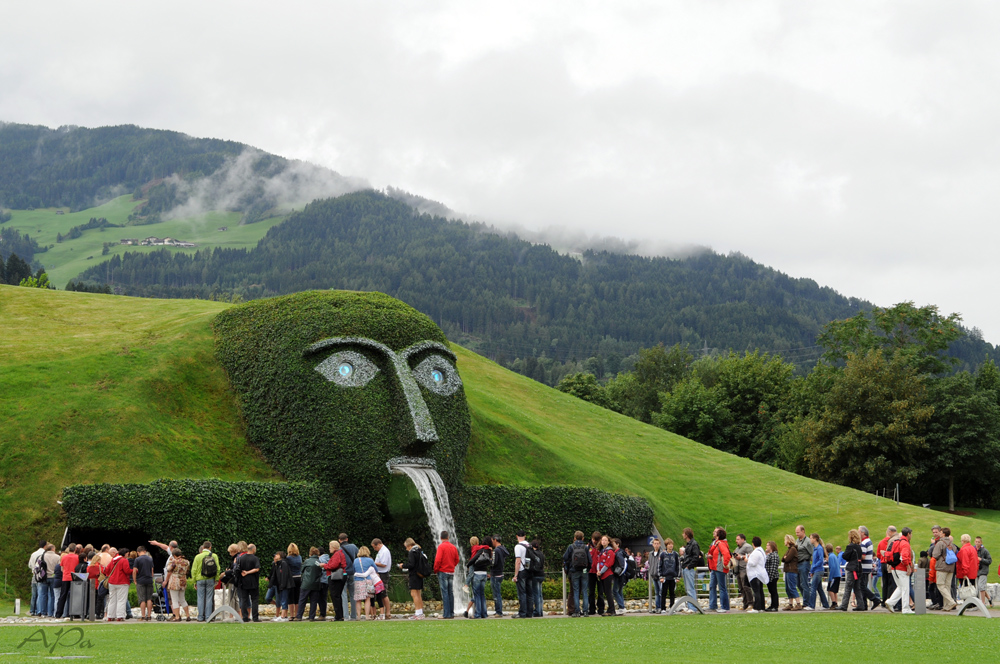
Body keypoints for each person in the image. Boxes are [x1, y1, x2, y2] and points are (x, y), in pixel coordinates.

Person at [884, 527, 914, 614]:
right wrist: (908, 567)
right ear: (908, 534)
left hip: (894, 567)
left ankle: (890, 602)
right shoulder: (905, 543)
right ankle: (905, 608)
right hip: (901, 568)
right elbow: (904, 557)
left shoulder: (897, 541)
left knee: (901, 587)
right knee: (905, 588)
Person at [191, 541, 220, 623]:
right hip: (210, 579)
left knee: (200, 598)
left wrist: (194, 581)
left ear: (203, 548)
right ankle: (208, 617)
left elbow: (194, 570)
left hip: (200, 579)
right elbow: (217, 569)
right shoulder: (214, 556)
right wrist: (216, 579)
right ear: (210, 547)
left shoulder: (198, 557)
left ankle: (200, 617)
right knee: (209, 598)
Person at [399, 538, 427, 620]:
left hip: (414, 575)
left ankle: (418, 613)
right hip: (420, 574)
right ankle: (420, 612)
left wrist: (403, 566)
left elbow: (411, 564)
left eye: (406, 547)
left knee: (414, 594)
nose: (406, 549)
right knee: (418, 593)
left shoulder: (412, 552)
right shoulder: (419, 551)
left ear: (409, 545)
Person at [433, 530, 460, 619]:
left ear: (441, 538)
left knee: (445, 592)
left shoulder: (441, 547)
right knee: (450, 592)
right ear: (448, 537)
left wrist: (436, 569)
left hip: (443, 571)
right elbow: (457, 559)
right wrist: (452, 566)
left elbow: (438, 560)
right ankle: (451, 613)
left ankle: (446, 614)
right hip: (451, 572)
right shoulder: (453, 547)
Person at [835, 530, 863, 612]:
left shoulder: (850, 546)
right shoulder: (859, 547)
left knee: (848, 587)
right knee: (857, 587)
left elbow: (845, 556)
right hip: (859, 568)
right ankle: (861, 604)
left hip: (852, 568)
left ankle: (844, 605)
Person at [564, 531, 590, 617]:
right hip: (584, 571)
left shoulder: (571, 547)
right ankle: (586, 611)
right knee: (585, 591)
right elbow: (590, 560)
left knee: (576, 591)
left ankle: (577, 611)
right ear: (583, 538)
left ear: (574, 538)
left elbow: (565, 557)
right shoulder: (586, 547)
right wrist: (587, 569)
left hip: (574, 570)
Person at [931, 527, 957, 611]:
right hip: (951, 567)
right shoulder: (952, 544)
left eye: (941, 532)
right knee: (947, 586)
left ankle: (951, 601)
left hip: (942, 567)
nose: (939, 534)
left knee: (940, 585)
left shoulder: (940, 543)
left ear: (944, 534)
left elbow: (935, 555)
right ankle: (946, 606)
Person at [352, 546, 382, 621]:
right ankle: (367, 616)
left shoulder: (356, 560)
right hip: (368, 580)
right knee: (367, 599)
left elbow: (353, 570)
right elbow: (376, 569)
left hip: (358, 580)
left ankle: (358, 616)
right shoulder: (370, 560)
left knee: (358, 599)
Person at [103, 547, 132, 622]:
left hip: (112, 582)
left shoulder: (113, 560)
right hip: (122, 582)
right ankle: (120, 616)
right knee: (121, 600)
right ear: (125, 554)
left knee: (112, 600)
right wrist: (134, 571)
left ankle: (110, 616)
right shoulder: (124, 560)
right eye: (127, 554)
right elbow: (127, 571)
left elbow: (106, 570)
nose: (127, 556)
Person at [163, 547, 191, 621]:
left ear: (174, 555)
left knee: (174, 600)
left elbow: (168, 569)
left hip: (174, 581)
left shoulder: (174, 561)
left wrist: (170, 562)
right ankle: (188, 616)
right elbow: (187, 571)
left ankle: (177, 617)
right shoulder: (187, 562)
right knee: (182, 599)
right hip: (183, 581)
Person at [323, 541, 348, 621]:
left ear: (333, 547)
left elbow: (333, 565)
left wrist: (324, 566)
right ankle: (339, 615)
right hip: (342, 576)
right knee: (337, 596)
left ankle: (338, 616)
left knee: (335, 596)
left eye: (330, 547)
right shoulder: (340, 553)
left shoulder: (337, 554)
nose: (329, 549)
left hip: (336, 577)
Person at [857, 526, 881, 610]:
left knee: (861, 586)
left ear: (863, 533)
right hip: (867, 567)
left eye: (859, 531)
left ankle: (875, 599)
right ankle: (864, 605)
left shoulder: (864, 543)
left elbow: (863, 556)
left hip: (863, 567)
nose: (858, 533)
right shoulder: (868, 541)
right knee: (863, 585)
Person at [707, 528, 731, 613]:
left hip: (719, 568)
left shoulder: (721, 544)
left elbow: (726, 554)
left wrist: (724, 564)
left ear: (718, 534)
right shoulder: (718, 543)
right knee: (713, 586)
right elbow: (711, 551)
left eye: (716, 532)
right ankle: (713, 605)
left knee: (722, 588)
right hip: (715, 568)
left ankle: (724, 607)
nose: (714, 532)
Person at [297, 546, 323, 621]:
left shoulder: (307, 561)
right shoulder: (319, 562)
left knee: (302, 600)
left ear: (310, 553)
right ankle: (312, 617)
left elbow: (302, 570)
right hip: (316, 583)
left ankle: (299, 616)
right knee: (314, 601)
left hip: (306, 583)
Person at [469, 536, 492, 619]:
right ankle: (484, 613)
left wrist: (468, 565)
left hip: (477, 573)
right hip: (484, 573)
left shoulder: (481, 550)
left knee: (477, 595)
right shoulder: (489, 550)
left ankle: (478, 614)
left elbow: (474, 559)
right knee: (482, 594)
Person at [679, 528, 701, 613]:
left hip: (689, 568)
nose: (682, 535)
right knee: (688, 588)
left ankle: (693, 607)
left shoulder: (693, 544)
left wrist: (689, 566)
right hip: (686, 568)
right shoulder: (689, 544)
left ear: (687, 534)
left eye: (683, 533)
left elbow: (696, 557)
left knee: (690, 588)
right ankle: (690, 606)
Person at [338, 534, 359, 621]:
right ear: (347, 539)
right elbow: (359, 556)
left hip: (343, 573)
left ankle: (346, 616)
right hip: (353, 572)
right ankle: (354, 616)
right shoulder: (354, 547)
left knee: (343, 594)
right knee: (353, 595)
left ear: (339, 540)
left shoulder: (339, 549)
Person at [56, 543, 80, 619]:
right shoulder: (77, 557)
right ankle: (74, 613)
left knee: (63, 596)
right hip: (74, 578)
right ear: (75, 549)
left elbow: (62, 569)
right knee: (75, 596)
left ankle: (58, 613)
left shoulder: (64, 557)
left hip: (65, 577)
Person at [513, 531, 533, 618]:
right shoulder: (529, 545)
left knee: (522, 592)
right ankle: (529, 612)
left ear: (517, 536)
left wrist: (515, 575)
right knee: (529, 592)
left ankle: (522, 612)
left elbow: (518, 561)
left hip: (522, 570)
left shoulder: (518, 546)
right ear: (525, 536)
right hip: (530, 570)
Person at [806, 534, 829, 610]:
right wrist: (812, 570)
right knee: (819, 589)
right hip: (816, 570)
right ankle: (825, 605)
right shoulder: (815, 548)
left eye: (811, 538)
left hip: (818, 570)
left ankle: (811, 605)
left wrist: (813, 567)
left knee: (813, 588)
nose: (810, 539)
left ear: (815, 539)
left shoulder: (819, 548)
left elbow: (820, 561)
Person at [239, 544, 261, 622]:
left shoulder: (241, 558)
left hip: (243, 581)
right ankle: (255, 617)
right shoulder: (255, 558)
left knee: (244, 599)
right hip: (253, 581)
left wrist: (243, 573)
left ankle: (245, 617)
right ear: (253, 549)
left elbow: (238, 568)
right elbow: (257, 569)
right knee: (254, 599)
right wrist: (248, 572)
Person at [268, 551, 293, 621]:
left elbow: (284, 575)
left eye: (277, 555)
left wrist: (282, 585)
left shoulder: (283, 563)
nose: (275, 556)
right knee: (283, 599)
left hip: (285, 585)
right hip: (281, 585)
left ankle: (283, 616)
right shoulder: (278, 564)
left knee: (284, 600)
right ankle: (284, 616)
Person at [132, 547, 155, 621]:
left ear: (138, 552)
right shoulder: (150, 559)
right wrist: (151, 578)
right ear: (144, 551)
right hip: (149, 580)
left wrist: (135, 580)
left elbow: (134, 571)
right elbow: (152, 570)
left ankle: (143, 616)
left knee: (142, 599)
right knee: (149, 598)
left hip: (141, 580)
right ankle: (149, 615)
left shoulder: (137, 559)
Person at [877, 526, 898, 606]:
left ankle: (884, 600)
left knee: (884, 583)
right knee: (891, 583)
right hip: (890, 563)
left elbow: (878, 554)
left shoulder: (881, 542)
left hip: (883, 563)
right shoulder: (894, 540)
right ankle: (889, 600)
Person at [371, 539, 392, 619]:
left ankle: (388, 612)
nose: (374, 549)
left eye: (375, 547)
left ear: (379, 544)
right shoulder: (380, 551)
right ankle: (384, 612)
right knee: (381, 594)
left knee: (384, 593)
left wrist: (373, 563)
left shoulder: (385, 551)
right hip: (379, 573)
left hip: (383, 573)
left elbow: (383, 564)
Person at [596, 535, 616, 616]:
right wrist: (598, 570)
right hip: (602, 574)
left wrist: (601, 571)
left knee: (608, 592)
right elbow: (598, 561)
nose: (603, 541)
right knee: (605, 592)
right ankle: (610, 609)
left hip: (607, 574)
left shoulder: (610, 552)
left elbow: (608, 564)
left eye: (605, 540)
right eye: (602, 540)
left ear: (608, 542)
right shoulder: (601, 551)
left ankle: (612, 610)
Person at [746, 537, 767, 613]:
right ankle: (761, 607)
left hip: (755, 574)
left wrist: (747, 560)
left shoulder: (756, 552)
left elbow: (753, 563)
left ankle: (756, 608)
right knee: (760, 591)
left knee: (756, 591)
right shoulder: (762, 551)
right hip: (760, 573)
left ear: (753, 544)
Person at [732, 534, 753, 611]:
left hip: (744, 569)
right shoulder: (737, 548)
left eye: (738, 539)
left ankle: (751, 603)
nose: (736, 541)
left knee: (746, 587)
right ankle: (745, 604)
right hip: (737, 569)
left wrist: (741, 556)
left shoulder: (748, 547)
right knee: (741, 588)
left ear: (743, 539)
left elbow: (751, 556)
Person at [794, 525, 813, 608]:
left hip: (804, 563)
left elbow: (812, 553)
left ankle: (806, 603)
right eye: (796, 532)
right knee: (798, 583)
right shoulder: (797, 541)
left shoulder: (808, 541)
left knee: (804, 583)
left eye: (798, 532)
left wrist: (812, 566)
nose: (796, 534)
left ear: (803, 531)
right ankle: (806, 598)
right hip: (797, 564)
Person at [659, 539, 680, 612]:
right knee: (663, 593)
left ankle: (672, 607)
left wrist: (678, 576)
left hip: (673, 577)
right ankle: (663, 608)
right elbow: (660, 566)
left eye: (672, 544)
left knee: (672, 593)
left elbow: (678, 566)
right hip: (665, 577)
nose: (671, 546)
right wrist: (661, 576)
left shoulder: (675, 554)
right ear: (666, 545)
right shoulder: (663, 554)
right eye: (669, 544)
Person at [490, 535, 508, 617]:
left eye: (492, 540)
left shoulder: (496, 550)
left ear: (495, 540)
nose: (492, 542)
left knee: (496, 594)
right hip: (500, 573)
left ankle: (498, 612)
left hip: (495, 574)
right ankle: (498, 610)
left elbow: (493, 563)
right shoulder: (503, 549)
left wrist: (489, 559)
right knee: (498, 593)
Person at [781, 535, 801, 611]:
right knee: (788, 588)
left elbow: (787, 559)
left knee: (792, 587)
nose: (784, 541)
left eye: (785, 540)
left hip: (791, 570)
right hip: (788, 571)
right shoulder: (789, 549)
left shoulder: (793, 549)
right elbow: (783, 559)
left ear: (788, 541)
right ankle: (790, 604)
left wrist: (785, 558)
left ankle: (798, 604)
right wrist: (785, 557)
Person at [28, 539, 46, 617]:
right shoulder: (44, 554)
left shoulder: (33, 554)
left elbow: (30, 565)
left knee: (34, 594)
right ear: (45, 546)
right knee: (41, 594)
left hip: (34, 574)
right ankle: (39, 610)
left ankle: (32, 610)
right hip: (41, 576)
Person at [588, 531, 604, 616]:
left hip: (600, 572)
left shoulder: (602, 548)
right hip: (591, 572)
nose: (595, 542)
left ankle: (601, 608)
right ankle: (592, 608)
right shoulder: (588, 547)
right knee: (591, 592)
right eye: (594, 540)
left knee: (600, 592)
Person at [285, 543, 302, 621]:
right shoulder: (299, 557)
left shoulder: (288, 558)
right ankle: (297, 614)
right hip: (299, 577)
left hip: (291, 578)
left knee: (290, 597)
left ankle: (291, 615)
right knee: (297, 597)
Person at [976, 536, 992, 607]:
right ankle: (989, 598)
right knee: (979, 587)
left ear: (981, 542)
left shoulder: (985, 551)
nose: (977, 543)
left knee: (981, 586)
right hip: (976, 571)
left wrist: (981, 559)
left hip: (983, 571)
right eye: (976, 542)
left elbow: (989, 561)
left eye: (978, 542)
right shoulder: (974, 550)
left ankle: (983, 603)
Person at [531, 539, 546, 617]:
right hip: (541, 574)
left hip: (535, 575)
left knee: (536, 594)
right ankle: (540, 611)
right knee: (540, 594)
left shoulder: (533, 554)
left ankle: (537, 611)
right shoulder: (541, 553)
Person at [611, 538, 627, 611]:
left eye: (613, 543)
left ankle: (621, 606)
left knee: (615, 591)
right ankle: (621, 606)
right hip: (621, 575)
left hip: (618, 575)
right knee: (619, 591)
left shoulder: (618, 553)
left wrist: (618, 572)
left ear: (617, 544)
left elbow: (622, 565)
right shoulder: (620, 552)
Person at [764, 541, 780, 612]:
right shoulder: (770, 555)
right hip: (769, 576)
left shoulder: (774, 555)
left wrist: (770, 578)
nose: (766, 546)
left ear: (771, 547)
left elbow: (773, 567)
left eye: (768, 545)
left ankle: (775, 606)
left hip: (772, 576)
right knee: (771, 591)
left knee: (773, 591)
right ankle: (772, 605)